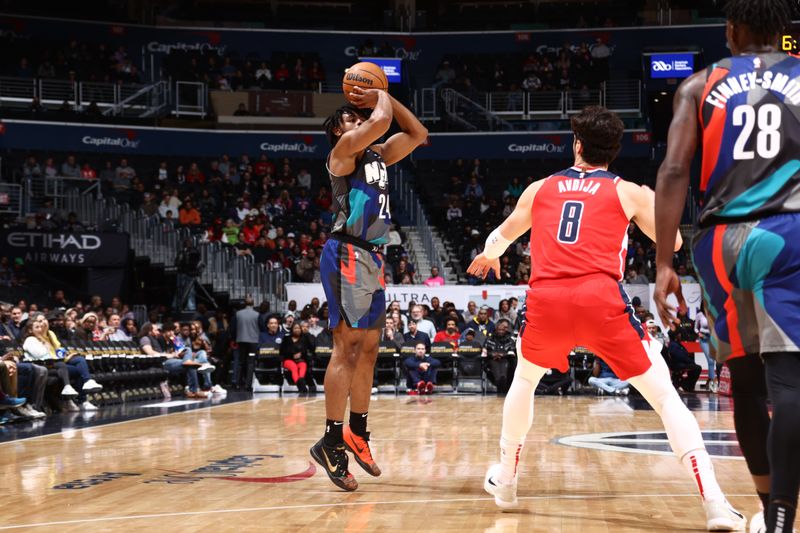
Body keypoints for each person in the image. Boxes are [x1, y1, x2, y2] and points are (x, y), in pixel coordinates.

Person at [469, 105, 744, 530]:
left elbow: (499, 237)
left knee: (525, 379)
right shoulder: (628, 191)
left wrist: (489, 257)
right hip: (600, 299)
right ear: (613, 152)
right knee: (666, 397)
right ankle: (715, 503)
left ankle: (505, 479)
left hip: (548, 299)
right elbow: (670, 237)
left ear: (576, 145)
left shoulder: (539, 188)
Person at [653, 2, 798, 531]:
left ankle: (763, 507)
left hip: (721, 242)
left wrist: (663, 261)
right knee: (790, 378)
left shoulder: (698, 85)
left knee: (747, 380)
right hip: (788, 231)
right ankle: (782, 515)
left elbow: (673, 171)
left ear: (732, 31)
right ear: (783, 32)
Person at [311, 83, 427, 492]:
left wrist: (387, 97)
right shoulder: (342, 155)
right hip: (345, 253)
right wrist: (378, 94)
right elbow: (379, 120)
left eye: (358, 117)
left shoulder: (377, 155)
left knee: (371, 350)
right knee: (348, 347)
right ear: (339, 133)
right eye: (349, 120)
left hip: (373, 257)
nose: (358, 122)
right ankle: (329, 440)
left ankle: (356, 432)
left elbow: (418, 135)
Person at [482, 318, 516, 394]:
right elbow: (484, 351)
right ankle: (500, 393)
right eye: (499, 330)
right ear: (496, 330)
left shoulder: (510, 340)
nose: (500, 331)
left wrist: (502, 355)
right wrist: (492, 354)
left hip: (505, 360)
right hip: (492, 360)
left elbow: (512, 351)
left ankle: (503, 393)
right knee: (498, 377)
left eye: (502, 330)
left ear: (505, 330)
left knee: (503, 376)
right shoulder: (489, 339)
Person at [233, 297, 260, 391]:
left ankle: (236, 383)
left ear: (245, 304)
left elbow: (234, 328)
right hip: (253, 342)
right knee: (251, 362)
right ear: (253, 304)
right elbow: (260, 328)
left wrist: (234, 339)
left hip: (241, 341)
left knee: (240, 362)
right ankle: (248, 385)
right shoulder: (257, 314)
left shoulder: (238, 314)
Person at [280, 322, 314, 393]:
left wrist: (301, 353)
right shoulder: (286, 338)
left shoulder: (304, 339)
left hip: (300, 360)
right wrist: (292, 355)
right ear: (292, 329)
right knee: (294, 367)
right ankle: (301, 385)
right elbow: (282, 351)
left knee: (303, 365)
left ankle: (301, 382)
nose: (297, 330)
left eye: (299, 328)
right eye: (295, 328)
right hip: (288, 360)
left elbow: (311, 348)